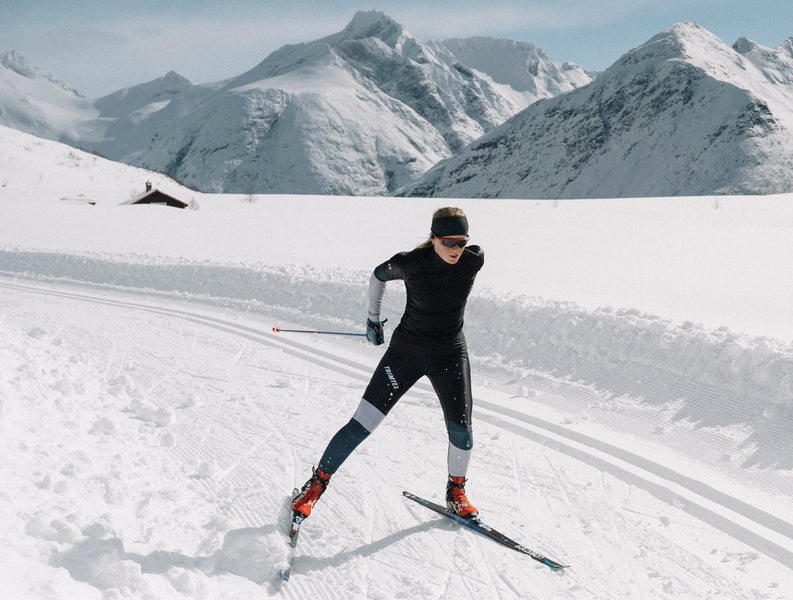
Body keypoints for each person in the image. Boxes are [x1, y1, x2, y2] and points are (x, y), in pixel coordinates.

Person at [291, 207, 485, 521]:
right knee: (362, 424)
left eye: (462, 242)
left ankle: (456, 492)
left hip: (450, 354)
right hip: (406, 352)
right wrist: (372, 319)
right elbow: (377, 276)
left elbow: (469, 252)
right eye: (449, 242)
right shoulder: (410, 263)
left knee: (462, 433)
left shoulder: (473, 260)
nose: (456, 250)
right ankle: (315, 486)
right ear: (434, 237)